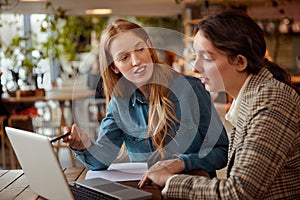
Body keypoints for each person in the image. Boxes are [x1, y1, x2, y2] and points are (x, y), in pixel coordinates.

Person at [138, 10, 300, 199]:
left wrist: (169, 180)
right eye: (195, 56)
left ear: (240, 62)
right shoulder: (255, 97)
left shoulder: (272, 100)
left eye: (206, 58)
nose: (195, 68)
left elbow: (238, 192)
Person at [63, 19, 229, 178]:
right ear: (114, 67)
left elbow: (221, 152)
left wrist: (182, 163)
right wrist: (84, 146)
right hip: (148, 191)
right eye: (124, 57)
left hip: (190, 189)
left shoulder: (191, 89)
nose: (136, 61)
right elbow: (102, 159)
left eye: (140, 49)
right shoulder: (119, 104)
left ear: (149, 48)